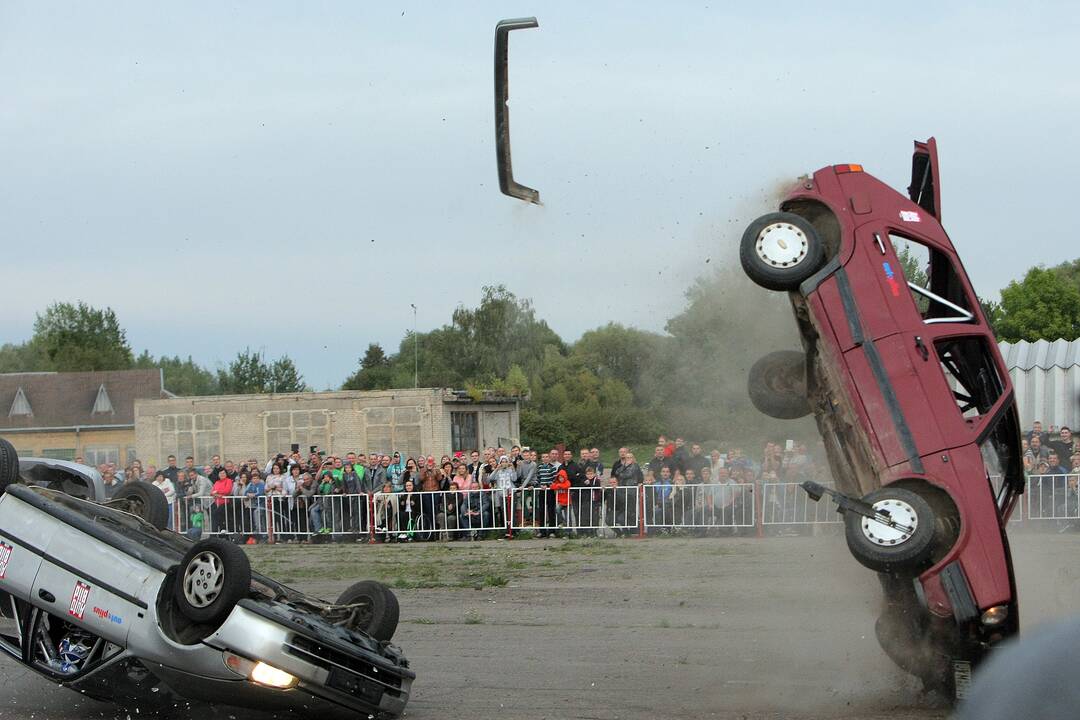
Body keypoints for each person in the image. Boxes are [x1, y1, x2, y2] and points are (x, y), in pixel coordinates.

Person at [210, 468, 234, 535]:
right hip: (217, 503)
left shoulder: (228, 481)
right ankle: (214, 533)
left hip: (225, 503)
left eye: (223, 473)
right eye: (220, 473)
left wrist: (217, 492)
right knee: (214, 516)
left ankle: (223, 529)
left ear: (226, 474)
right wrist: (217, 494)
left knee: (216, 514)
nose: (222, 474)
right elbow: (211, 492)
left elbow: (227, 490)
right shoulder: (217, 482)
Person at [244, 471, 267, 541]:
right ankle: (259, 534)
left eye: (257, 478)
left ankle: (262, 533)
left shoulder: (261, 484)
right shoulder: (250, 485)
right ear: (251, 479)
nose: (255, 480)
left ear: (259, 479)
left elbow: (260, 492)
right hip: (253, 506)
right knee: (256, 518)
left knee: (259, 517)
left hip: (261, 505)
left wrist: (253, 495)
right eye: (254, 478)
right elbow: (245, 493)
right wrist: (248, 494)